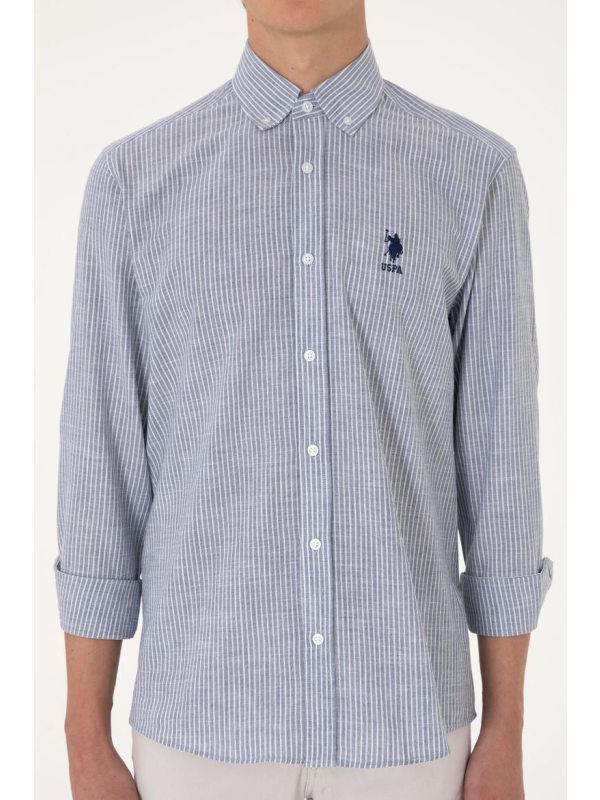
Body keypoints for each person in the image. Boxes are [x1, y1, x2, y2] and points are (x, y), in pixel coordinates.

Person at [55, 2, 554, 799]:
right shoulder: (134, 182)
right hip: (198, 727)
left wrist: (508, 729)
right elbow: (100, 470)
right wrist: (84, 735)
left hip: (408, 724)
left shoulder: (474, 175)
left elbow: (503, 473)